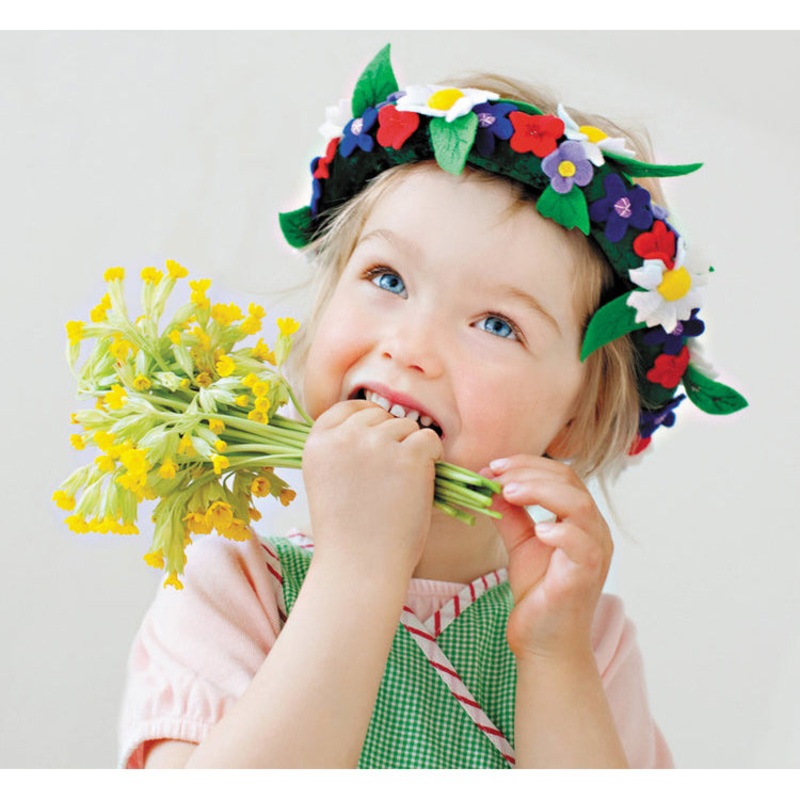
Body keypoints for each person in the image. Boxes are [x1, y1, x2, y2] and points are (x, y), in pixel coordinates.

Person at [118, 45, 745, 769]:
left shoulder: (587, 638)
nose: (412, 347)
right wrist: (358, 568)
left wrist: (554, 659)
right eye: (386, 277)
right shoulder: (237, 585)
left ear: (575, 418)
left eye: (497, 325)